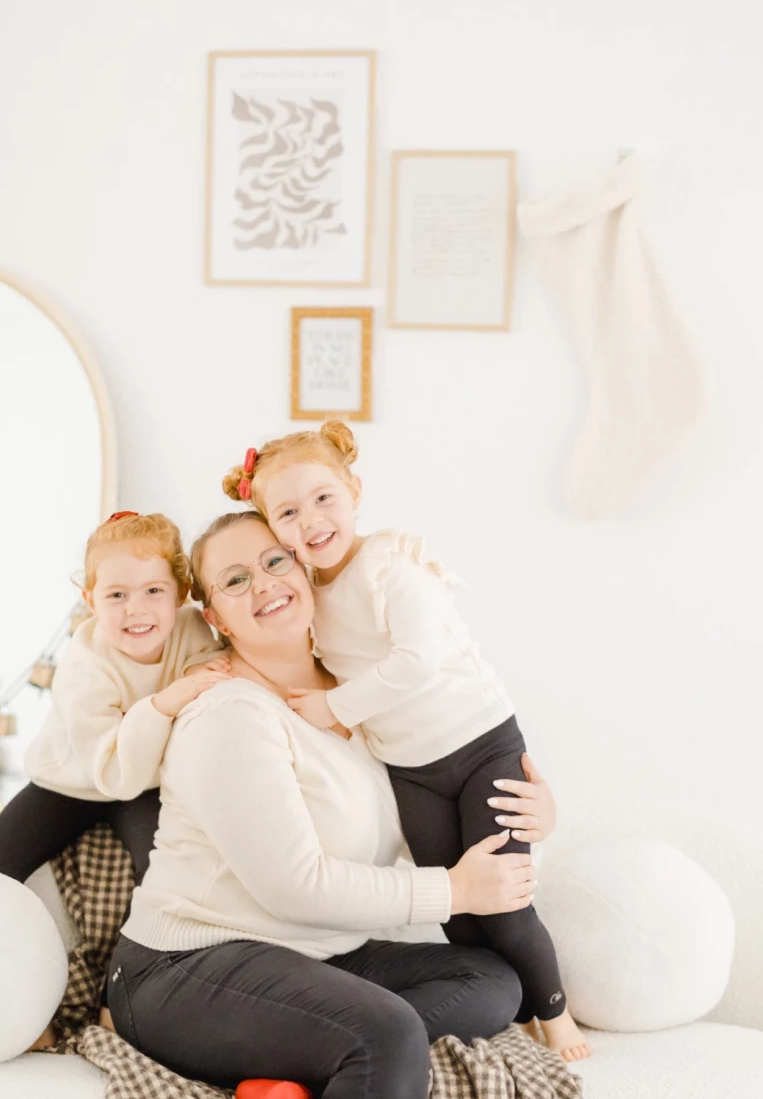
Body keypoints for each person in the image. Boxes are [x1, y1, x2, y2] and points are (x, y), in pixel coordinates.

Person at [105, 508, 545, 1099]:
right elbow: (294, 885)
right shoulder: (232, 712)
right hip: (185, 965)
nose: (267, 582)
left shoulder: (358, 707)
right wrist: (452, 894)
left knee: (491, 981)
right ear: (214, 617)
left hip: (309, 965)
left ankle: (300, 1076)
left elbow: (460, 765)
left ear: (308, 578)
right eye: (236, 579)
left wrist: (540, 813)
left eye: (277, 561)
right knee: (383, 1034)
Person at [222, 423, 590, 1063]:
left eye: (323, 499)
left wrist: (334, 707)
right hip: (412, 769)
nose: (309, 521)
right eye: (286, 512)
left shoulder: (389, 568)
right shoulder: (311, 593)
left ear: (354, 491)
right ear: (269, 528)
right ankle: (508, 1006)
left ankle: (555, 1015)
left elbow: (417, 662)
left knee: (503, 902)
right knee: (456, 904)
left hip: (478, 746)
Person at [0, 510, 228, 884]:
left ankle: (141, 943)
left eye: (154, 590)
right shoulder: (85, 667)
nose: (135, 609)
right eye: (117, 595)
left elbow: (213, 673)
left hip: (147, 785)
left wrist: (192, 680)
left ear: (180, 594)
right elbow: (114, 773)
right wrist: (164, 703)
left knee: (166, 873)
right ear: (91, 601)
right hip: (69, 782)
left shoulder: (191, 629)